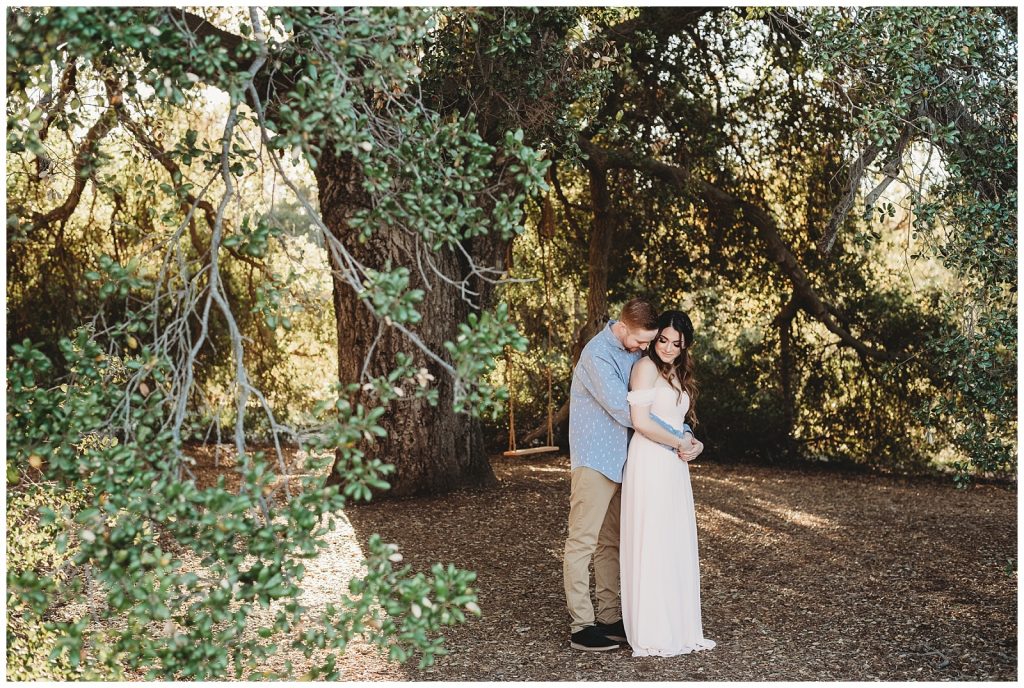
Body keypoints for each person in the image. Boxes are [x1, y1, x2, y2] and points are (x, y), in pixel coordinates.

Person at [564, 299, 701, 652]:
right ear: (623, 327)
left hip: (625, 462)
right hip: (596, 459)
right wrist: (678, 438)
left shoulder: (632, 350)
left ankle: (610, 617)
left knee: (611, 542)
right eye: (643, 341)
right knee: (583, 542)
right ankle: (582, 625)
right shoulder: (597, 356)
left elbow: (658, 400)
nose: (646, 348)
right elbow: (629, 412)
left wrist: (683, 429)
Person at [620, 310, 716, 657]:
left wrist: (694, 443)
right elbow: (641, 421)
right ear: (655, 337)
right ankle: (653, 628)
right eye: (663, 340)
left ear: (684, 345)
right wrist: (679, 443)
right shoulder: (644, 368)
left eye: (677, 343)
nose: (668, 348)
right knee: (654, 539)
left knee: (673, 539)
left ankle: (678, 624)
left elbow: (677, 420)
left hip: (675, 468)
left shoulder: (677, 372)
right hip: (649, 460)